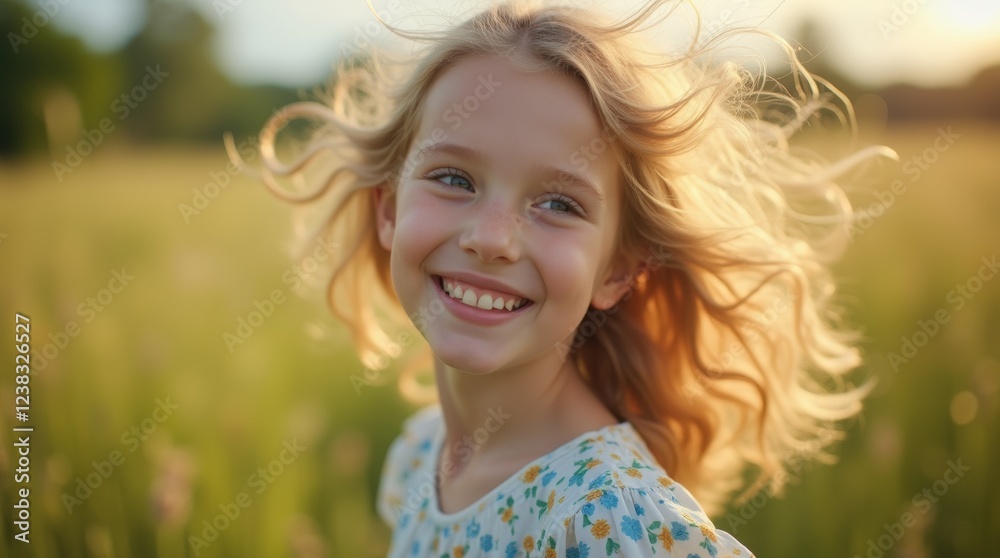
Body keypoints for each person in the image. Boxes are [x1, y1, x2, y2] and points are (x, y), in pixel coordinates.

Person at [235, 1, 894, 555]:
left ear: (618, 270)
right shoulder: (418, 456)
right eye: (453, 178)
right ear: (389, 210)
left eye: (558, 203)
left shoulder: (612, 519)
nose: (491, 238)